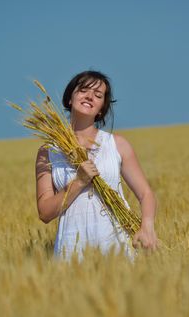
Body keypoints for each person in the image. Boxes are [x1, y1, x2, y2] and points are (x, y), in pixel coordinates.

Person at [35, 70, 158, 263]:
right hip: (71, 251)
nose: (90, 96)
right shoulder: (49, 151)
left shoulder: (116, 144)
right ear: (70, 99)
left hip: (116, 247)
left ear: (101, 108)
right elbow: (44, 212)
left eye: (98, 95)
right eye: (84, 90)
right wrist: (79, 181)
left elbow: (146, 194)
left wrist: (147, 226)